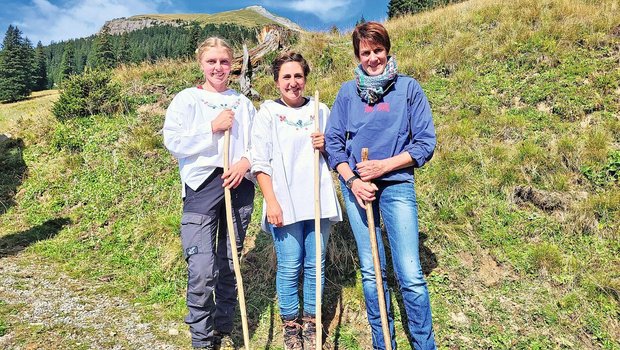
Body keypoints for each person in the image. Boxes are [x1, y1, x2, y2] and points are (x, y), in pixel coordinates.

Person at [325, 22, 437, 350]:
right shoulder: (347, 92)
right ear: (357, 56)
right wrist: (353, 181)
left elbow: (425, 143)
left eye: (377, 50)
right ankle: (383, 343)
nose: (372, 58)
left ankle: (423, 345)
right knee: (372, 271)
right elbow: (333, 143)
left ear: (387, 49)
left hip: (397, 184)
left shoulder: (408, 89)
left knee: (410, 273)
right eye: (365, 53)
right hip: (357, 188)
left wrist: (383, 166)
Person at [163, 37, 255, 350]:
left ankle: (223, 328)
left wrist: (244, 162)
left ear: (233, 65)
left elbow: (257, 145)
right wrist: (211, 128)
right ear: (201, 64)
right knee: (202, 269)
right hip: (201, 186)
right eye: (212, 61)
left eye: (224, 61)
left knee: (230, 264)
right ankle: (201, 340)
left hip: (238, 186)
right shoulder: (187, 100)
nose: (218, 67)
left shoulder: (243, 103)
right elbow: (173, 143)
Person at [251, 52, 342, 350]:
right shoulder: (267, 113)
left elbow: (336, 157)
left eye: (298, 76)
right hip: (284, 203)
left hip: (317, 202)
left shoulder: (320, 110)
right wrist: (271, 202)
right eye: (286, 77)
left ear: (305, 78)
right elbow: (260, 162)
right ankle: (291, 327)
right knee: (290, 265)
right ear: (277, 82)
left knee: (316, 265)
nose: (293, 83)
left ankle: (312, 323)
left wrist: (326, 145)